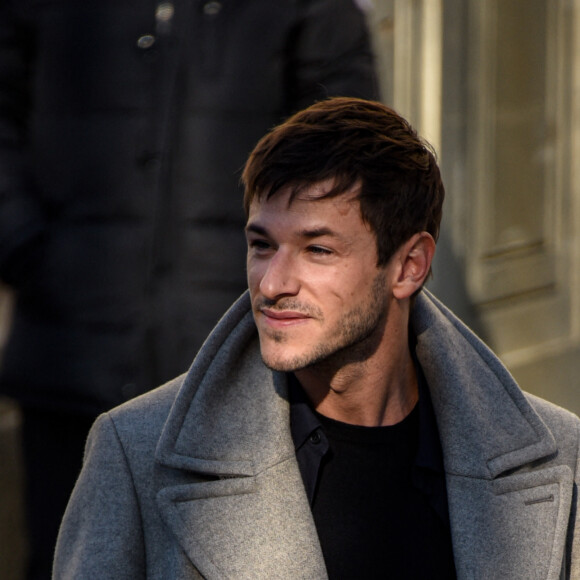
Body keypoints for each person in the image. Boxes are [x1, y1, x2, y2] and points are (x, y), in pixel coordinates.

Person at [53, 97, 580, 579]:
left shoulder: (560, 459)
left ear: (409, 266)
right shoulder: (136, 451)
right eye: (262, 246)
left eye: (318, 250)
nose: (273, 283)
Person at [0, 1, 379, 577]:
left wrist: (283, 287)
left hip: (240, 365)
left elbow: (349, 162)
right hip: (71, 345)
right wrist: (26, 244)